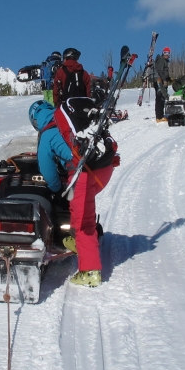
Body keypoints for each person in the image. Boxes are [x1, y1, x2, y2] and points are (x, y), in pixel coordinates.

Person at [28, 98, 118, 287]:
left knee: (83, 222)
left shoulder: (46, 135)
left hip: (83, 174)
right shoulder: (67, 119)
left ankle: (90, 271)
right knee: (84, 211)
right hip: (102, 167)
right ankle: (81, 244)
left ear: (35, 121)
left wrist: (57, 190)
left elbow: (47, 171)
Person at [153, 47, 172, 122]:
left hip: (161, 81)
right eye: (165, 53)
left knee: (162, 98)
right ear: (163, 53)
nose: (166, 54)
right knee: (160, 98)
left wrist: (169, 79)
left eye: (168, 53)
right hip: (159, 82)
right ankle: (159, 117)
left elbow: (164, 72)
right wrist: (164, 80)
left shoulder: (165, 61)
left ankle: (160, 115)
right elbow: (160, 71)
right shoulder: (161, 60)